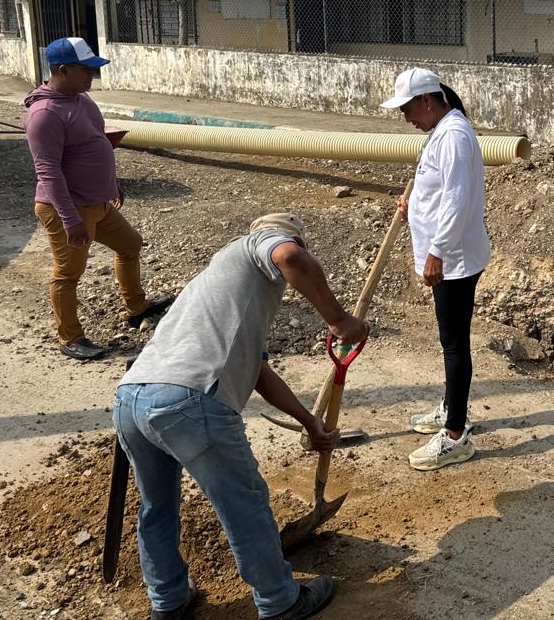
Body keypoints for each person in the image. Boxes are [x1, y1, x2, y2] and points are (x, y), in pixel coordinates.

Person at [115, 213, 368, 620]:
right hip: (189, 398)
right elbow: (290, 257)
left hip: (131, 398)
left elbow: (260, 374)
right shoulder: (257, 246)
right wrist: (338, 319)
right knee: (244, 504)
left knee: (156, 507)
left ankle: (168, 601)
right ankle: (279, 601)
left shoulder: (221, 289)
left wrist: (309, 421)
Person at [24, 37, 170, 360]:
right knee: (68, 273)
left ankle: (137, 308)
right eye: (86, 69)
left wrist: (111, 184)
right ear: (63, 70)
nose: (92, 75)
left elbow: (96, 141)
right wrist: (70, 218)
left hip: (98, 203)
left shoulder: (81, 99)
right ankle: (70, 338)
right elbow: (48, 172)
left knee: (130, 245)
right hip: (68, 207)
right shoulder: (44, 115)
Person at [383, 67, 490, 471]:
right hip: (447, 255)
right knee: (451, 341)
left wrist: (438, 252)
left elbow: (458, 201)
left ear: (427, 101)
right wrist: (413, 205)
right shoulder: (441, 132)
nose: (405, 118)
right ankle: (450, 406)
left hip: (454, 260)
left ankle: (455, 434)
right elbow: (438, 190)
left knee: (454, 343)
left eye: (407, 109)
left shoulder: (455, 136)